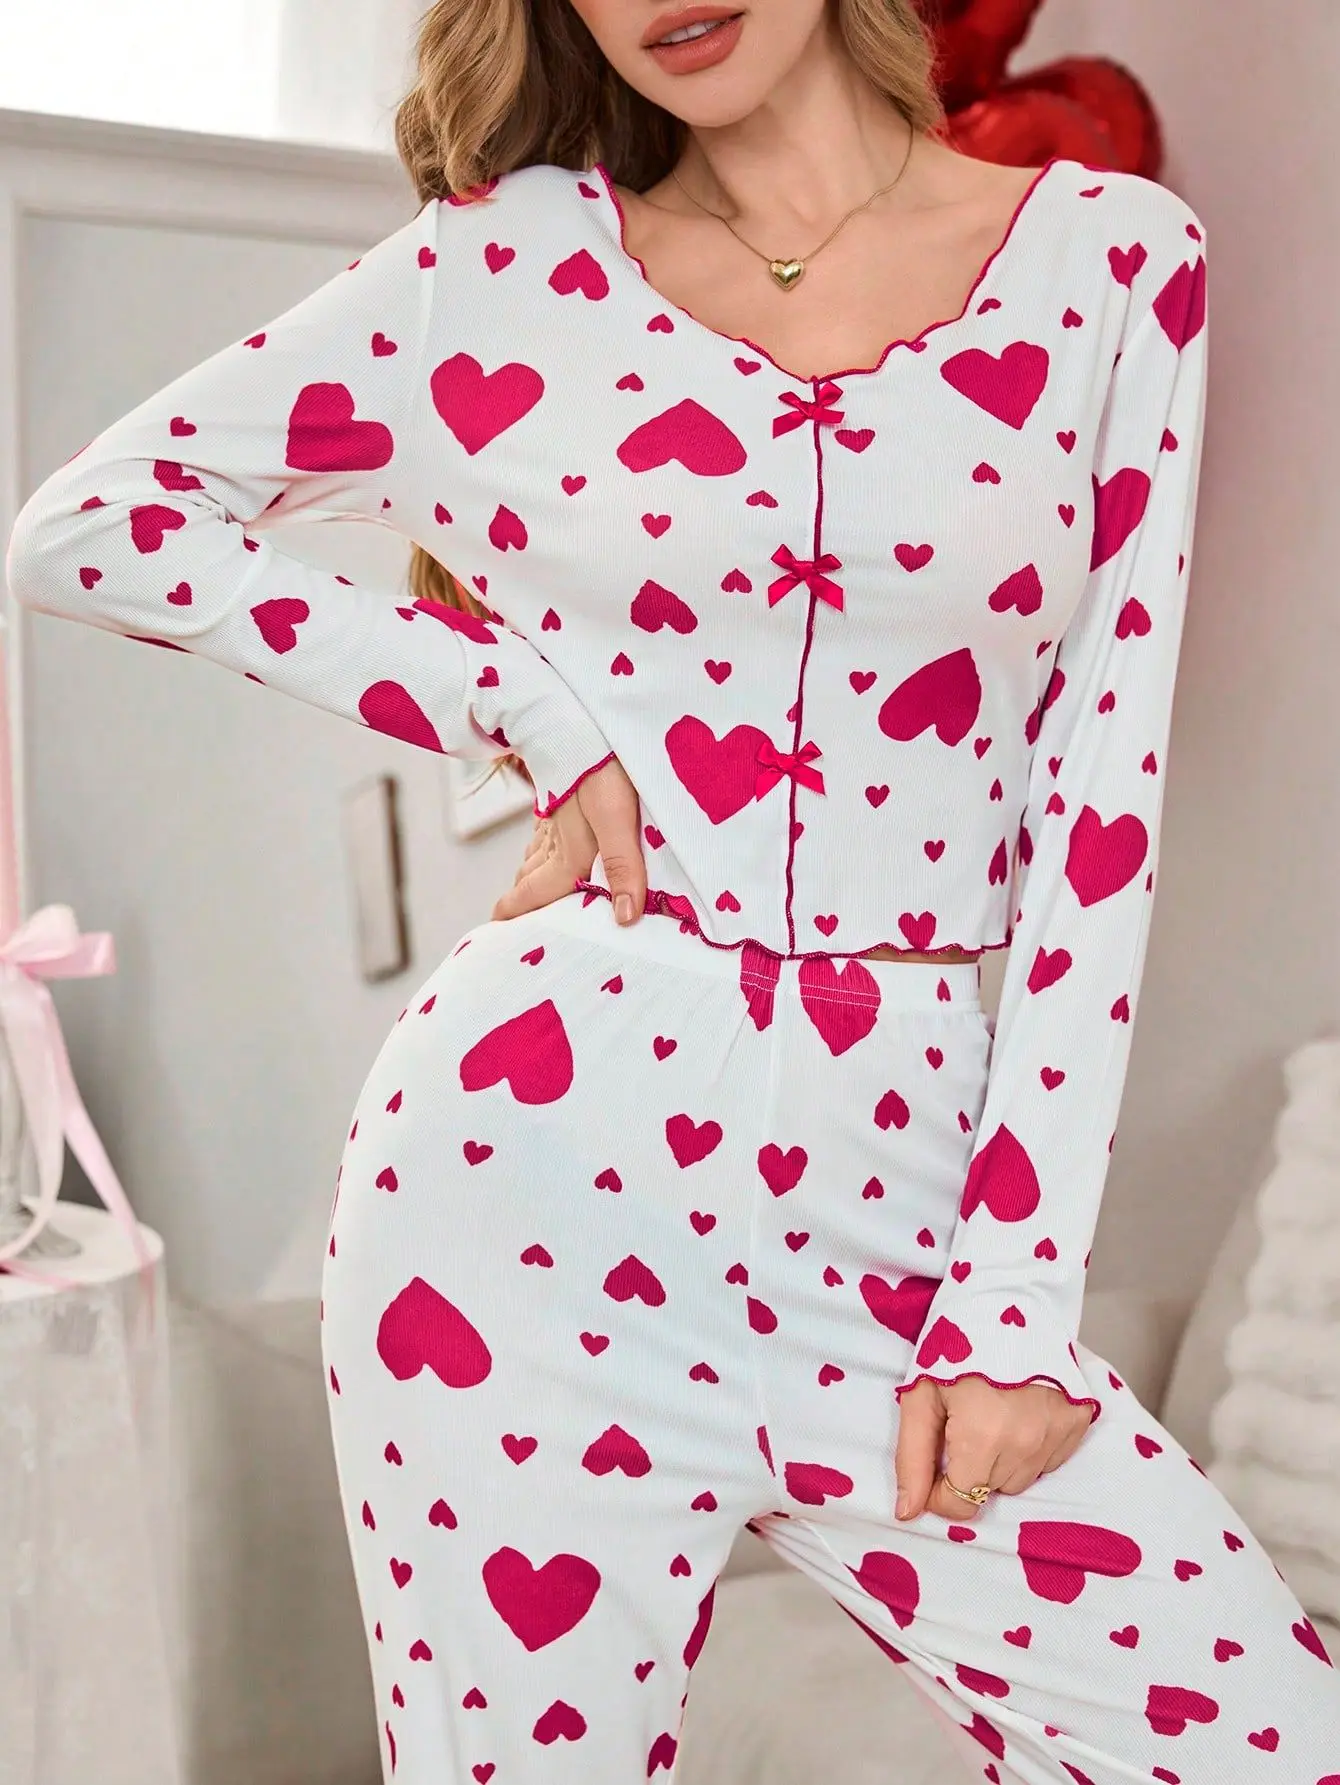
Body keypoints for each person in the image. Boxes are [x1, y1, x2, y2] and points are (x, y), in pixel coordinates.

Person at [7, 0, 1340, 1776]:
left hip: (912, 1204)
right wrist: (516, 702)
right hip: (528, 1200)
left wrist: (1015, 1301)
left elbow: (1104, 809)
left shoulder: (1108, 260)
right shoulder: (502, 268)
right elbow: (95, 524)